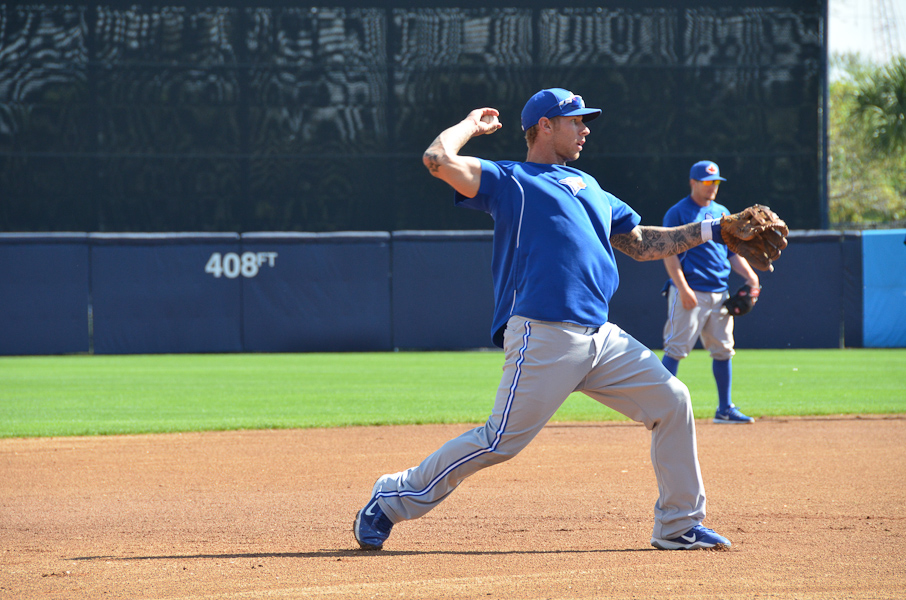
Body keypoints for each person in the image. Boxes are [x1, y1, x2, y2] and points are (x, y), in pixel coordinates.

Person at [354, 88, 735, 552]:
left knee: (673, 401)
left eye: (584, 120)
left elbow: (640, 243)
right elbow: (437, 159)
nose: (585, 128)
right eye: (575, 120)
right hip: (544, 334)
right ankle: (391, 498)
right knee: (499, 442)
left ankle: (678, 525)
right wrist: (471, 127)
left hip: (603, 337)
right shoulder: (511, 180)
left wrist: (714, 229)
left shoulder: (592, 187)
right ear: (545, 127)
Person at [660, 161, 761, 424]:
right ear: (693, 182)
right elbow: (669, 255)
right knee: (675, 350)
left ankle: (725, 408)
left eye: (715, 182)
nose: (712, 187)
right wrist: (682, 288)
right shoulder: (678, 213)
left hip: (720, 292)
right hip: (690, 291)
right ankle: (659, 407)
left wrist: (751, 277)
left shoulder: (722, 212)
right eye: (706, 182)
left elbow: (731, 253)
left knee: (723, 351)